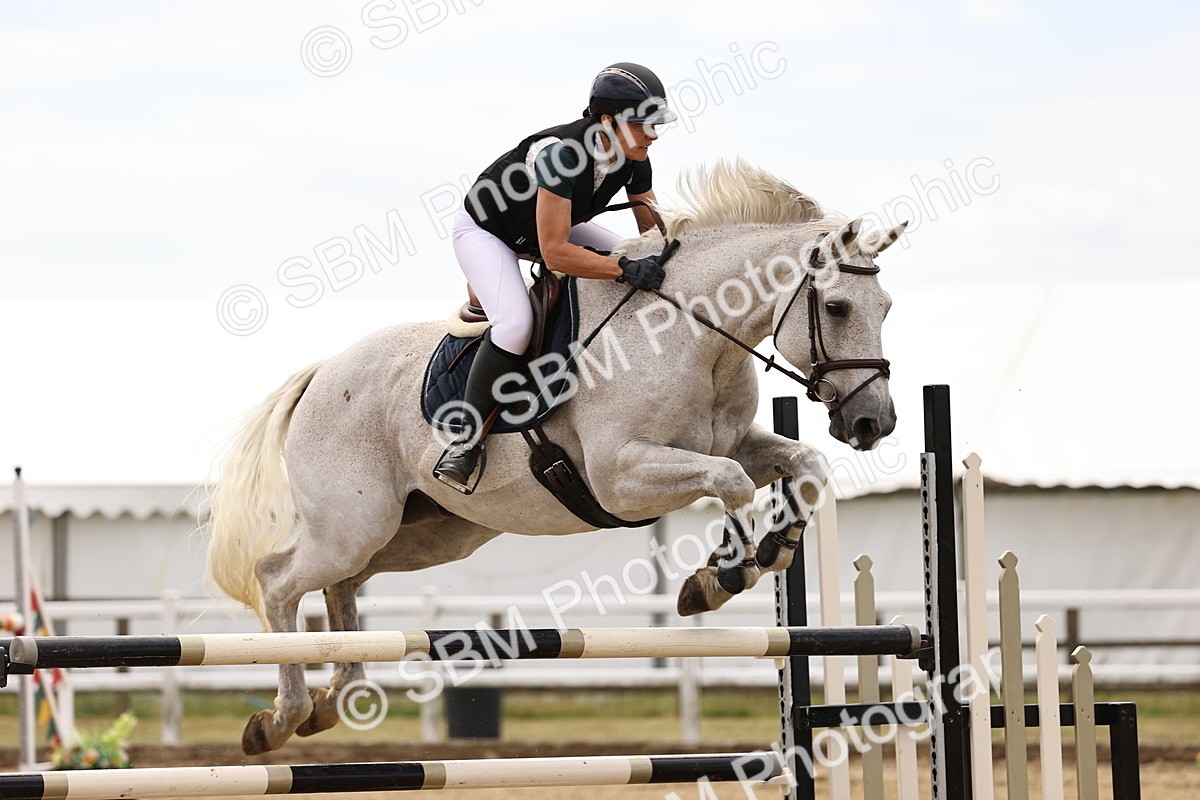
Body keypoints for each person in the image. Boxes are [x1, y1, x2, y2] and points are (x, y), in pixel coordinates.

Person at [433, 62, 677, 493]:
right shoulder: (560, 153)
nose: (653, 135)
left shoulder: (635, 155)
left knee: (632, 254)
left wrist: (669, 254)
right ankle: (464, 440)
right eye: (645, 125)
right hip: (489, 233)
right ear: (609, 121)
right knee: (516, 323)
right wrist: (622, 270)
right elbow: (556, 253)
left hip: (555, 226)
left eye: (655, 125)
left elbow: (651, 232)